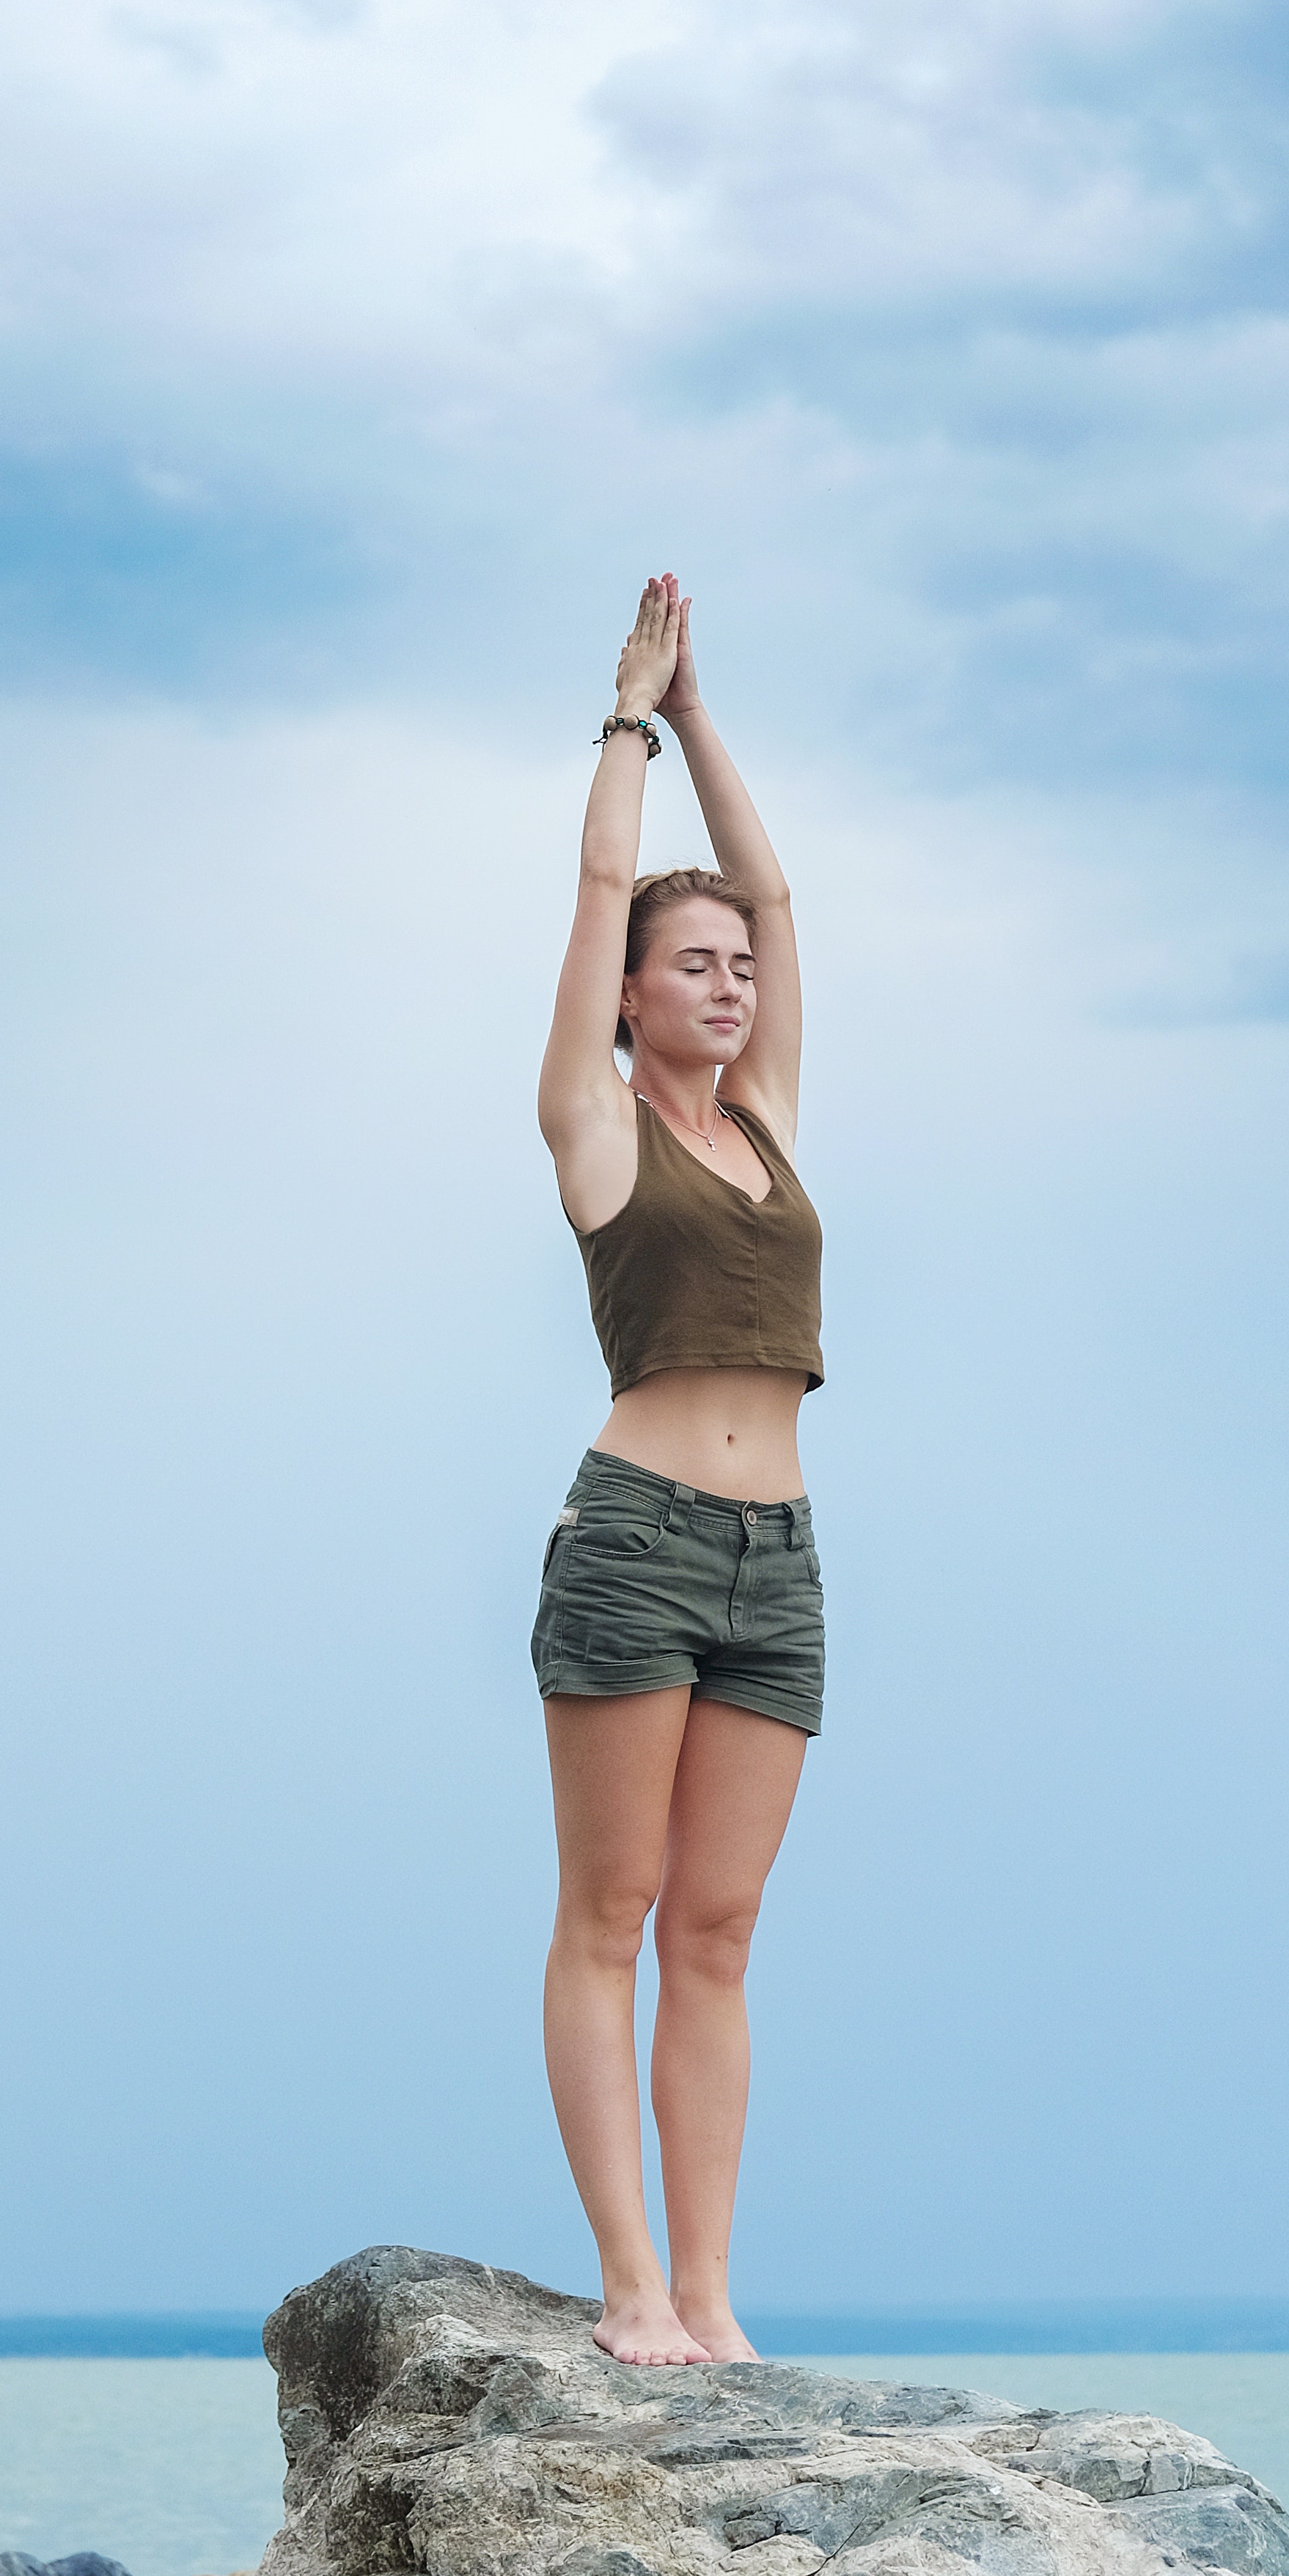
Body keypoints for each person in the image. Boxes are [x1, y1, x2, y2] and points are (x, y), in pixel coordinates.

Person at [533, 572, 825, 2367]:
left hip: (777, 1557)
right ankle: (627, 2289)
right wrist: (627, 723)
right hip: (636, 1539)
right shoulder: (590, 1126)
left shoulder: (769, 1124)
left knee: (713, 1933)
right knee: (611, 1915)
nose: (724, 984)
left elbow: (778, 897)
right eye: (690, 966)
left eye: (733, 969)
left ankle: (710, 2298)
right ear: (633, 1000)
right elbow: (587, 894)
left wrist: (712, 715)